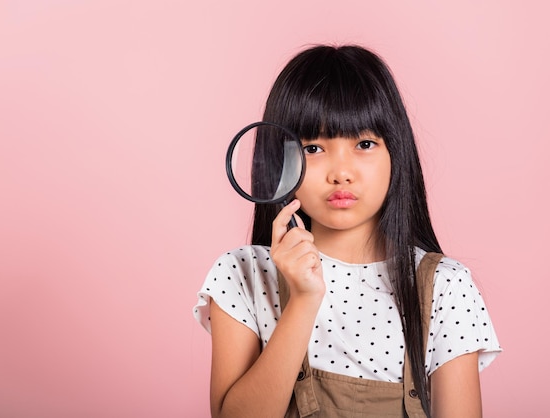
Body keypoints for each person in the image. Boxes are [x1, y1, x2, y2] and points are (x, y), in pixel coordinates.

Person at [193, 44, 501, 418]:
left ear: (396, 153)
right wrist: (303, 301)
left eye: (365, 144)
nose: (341, 172)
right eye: (313, 148)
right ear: (279, 161)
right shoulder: (242, 273)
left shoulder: (446, 287)